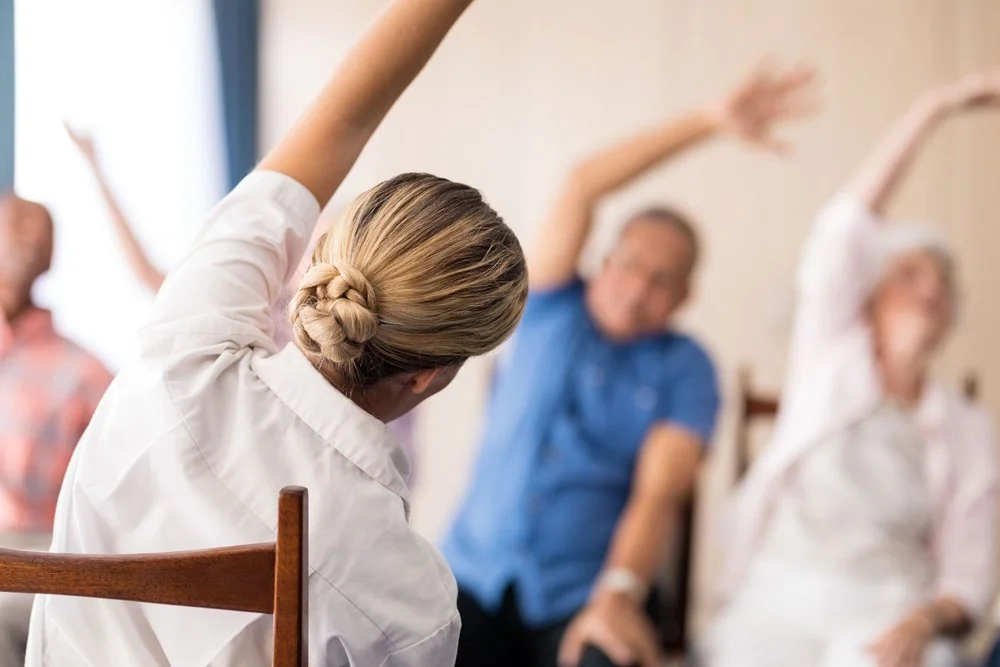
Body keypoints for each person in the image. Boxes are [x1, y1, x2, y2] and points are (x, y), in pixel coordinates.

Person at [25, 0, 527, 664]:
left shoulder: (185, 345)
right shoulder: (414, 600)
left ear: (326, 261)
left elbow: (342, 118)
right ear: (428, 373)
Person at [441, 63, 817, 667]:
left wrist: (617, 595)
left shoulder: (687, 368)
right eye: (631, 264)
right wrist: (711, 122)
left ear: (685, 297)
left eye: (662, 280)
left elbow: (658, 494)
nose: (638, 288)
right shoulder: (547, 305)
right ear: (605, 258)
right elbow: (581, 184)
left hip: (581, 598)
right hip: (469, 579)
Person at [703, 71, 1000, 667]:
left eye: (943, 284)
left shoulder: (967, 428)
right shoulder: (828, 357)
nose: (931, 290)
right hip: (776, 599)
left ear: (950, 319)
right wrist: (935, 104)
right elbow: (844, 228)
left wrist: (926, 620)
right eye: (910, 276)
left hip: (888, 609)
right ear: (868, 301)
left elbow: (971, 574)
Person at [0, 194, 112, 666]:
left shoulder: (87, 375)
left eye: (37, 230)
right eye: (15, 226)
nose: (26, 239)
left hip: (41, 557)